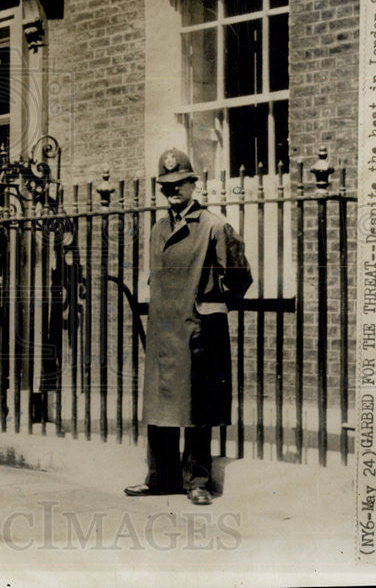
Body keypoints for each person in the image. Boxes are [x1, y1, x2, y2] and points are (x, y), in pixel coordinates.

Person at [125, 149, 252, 505]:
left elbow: (240, 278)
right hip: (164, 329)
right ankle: (160, 477)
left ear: (194, 183)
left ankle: (197, 480)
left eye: (179, 183)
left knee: (197, 406)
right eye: (166, 186)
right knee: (160, 406)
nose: (172, 191)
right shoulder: (158, 228)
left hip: (197, 330)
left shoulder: (214, 226)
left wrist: (207, 304)